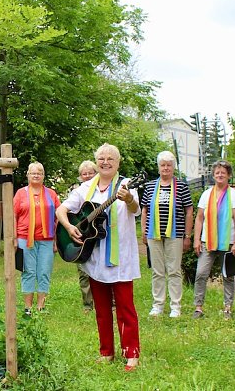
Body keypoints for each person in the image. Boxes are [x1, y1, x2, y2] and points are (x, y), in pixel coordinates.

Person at [56, 144, 141, 370]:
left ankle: (131, 353)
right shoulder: (86, 187)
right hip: (94, 258)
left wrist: (128, 200)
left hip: (120, 258)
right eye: (101, 158)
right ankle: (106, 352)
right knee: (102, 310)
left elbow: (135, 210)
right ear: (96, 162)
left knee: (125, 308)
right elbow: (61, 210)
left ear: (118, 162)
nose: (105, 162)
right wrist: (69, 226)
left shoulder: (126, 184)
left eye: (110, 158)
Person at [140, 151, 193, 318]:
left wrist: (187, 235)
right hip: (153, 233)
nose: (165, 168)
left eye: (169, 165)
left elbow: (189, 211)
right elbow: (144, 210)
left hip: (175, 234)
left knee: (174, 270)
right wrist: (143, 231)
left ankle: (175, 306)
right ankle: (158, 305)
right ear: (158, 167)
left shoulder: (182, 186)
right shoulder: (149, 186)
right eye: (163, 165)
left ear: (173, 167)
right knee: (157, 270)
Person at [192, 160, 235, 320]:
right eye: (217, 172)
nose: (220, 175)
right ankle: (198, 307)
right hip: (208, 241)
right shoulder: (206, 194)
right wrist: (197, 240)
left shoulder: (234, 195)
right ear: (213, 175)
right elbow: (199, 218)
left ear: (228, 175)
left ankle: (228, 308)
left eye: (223, 172)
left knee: (228, 275)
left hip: (228, 243)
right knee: (201, 273)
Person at [13, 162, 61, 314]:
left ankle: (41, 306)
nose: (36, 175)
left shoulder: (51, 194)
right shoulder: (20, 193)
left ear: (43, 176)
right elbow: (12, 216)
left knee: (44, 272)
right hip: (25, 239)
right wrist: (14, 238)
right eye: (33, 172)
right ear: (27, 175)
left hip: (47, 239)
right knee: (28, 272)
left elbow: (60, 215)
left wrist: (57, 240)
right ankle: (28, 307)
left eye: (39, 173)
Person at [74, 160, 98, 312]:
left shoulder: (102, 189)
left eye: (91, 173)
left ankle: (112, 303)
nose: (88, 176)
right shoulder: (76, 192)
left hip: (99, 233)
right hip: (83, 235)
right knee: (83, 271)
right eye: (84, 174)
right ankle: (87, 304)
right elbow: (71, 213)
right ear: (80, 176)